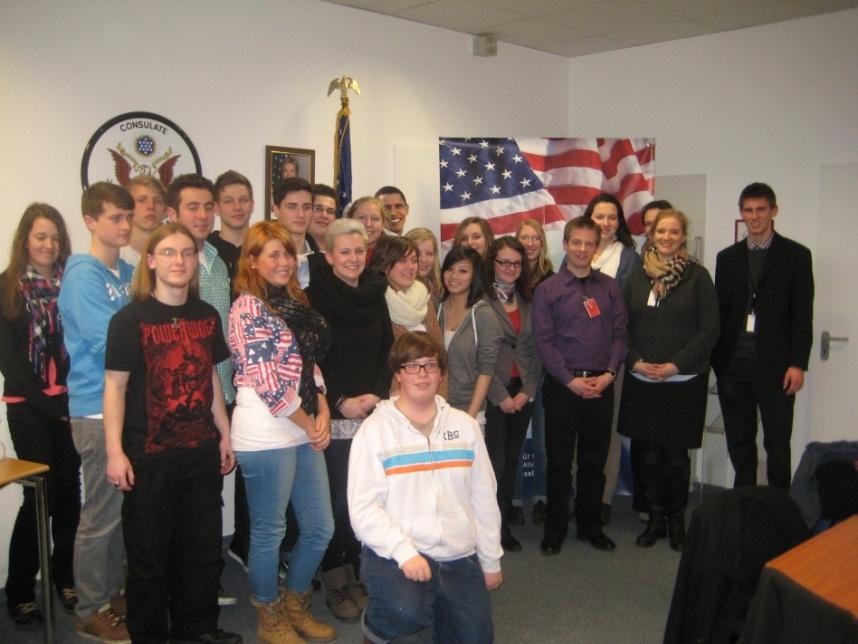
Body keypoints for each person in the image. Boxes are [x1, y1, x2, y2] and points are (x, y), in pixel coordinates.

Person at [104, 223, 241, 644]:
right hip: (149, 457)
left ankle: (197, 630)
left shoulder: (206, 315)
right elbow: (115, 387)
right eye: (167, 252)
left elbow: (210, 376)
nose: (178, 261)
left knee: (200, 552)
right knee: (149, 561)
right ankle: (149, 635)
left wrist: (225, 433)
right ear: (150, 261)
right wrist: (114, 452)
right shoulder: (130, 320)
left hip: (199, 453)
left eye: (186, 252)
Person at [348, 331, 503, 644]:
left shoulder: (465, 427)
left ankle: (439, 612)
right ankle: (376, 627)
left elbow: (484, 498)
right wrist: (404, 552)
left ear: (441, 374)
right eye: (412, 366)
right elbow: (364, 509)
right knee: (404, 611)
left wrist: (490, 560)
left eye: (431, 366)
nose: (422, 374)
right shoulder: (374, 431)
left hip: (458, 553)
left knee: (477, 638)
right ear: (398, 374)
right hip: (398, 552)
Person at [228, 221, 336, 643]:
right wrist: (312, 425)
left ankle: (296, 603)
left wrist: (322, 407)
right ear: (252, 261)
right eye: (272, 254)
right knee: (269, 531)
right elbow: (269, 384)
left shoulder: (293, 302)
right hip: (266, 430)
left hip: (301, 422)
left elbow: (308, 364)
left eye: (287, 253)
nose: (284, 262)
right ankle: (269, 615)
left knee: (320, 527)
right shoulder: (248, 308)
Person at [58, 181, 134, 643]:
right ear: (90, 221)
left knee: (121, 509)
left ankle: (113, 594)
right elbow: (109, 344)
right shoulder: (83, 276)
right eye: (114, 218)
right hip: (94, 409)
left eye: (128, 217)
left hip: (126, 406)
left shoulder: (126, 270)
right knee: (101, 514)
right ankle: (90, 609)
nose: (124, 225)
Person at [306, 218, 393, 622]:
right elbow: (312, 359)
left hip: (371, 410)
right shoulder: (314, 298)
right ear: (328, 255)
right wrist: (341, 400)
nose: (354, 258)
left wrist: (376, 393)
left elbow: (387, 348)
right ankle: (335, 578)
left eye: (359, 251)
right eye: (344, 251)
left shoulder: (376, 293)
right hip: (334, 411)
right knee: (337, 501)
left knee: (369, 496)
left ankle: (360, 572)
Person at [618, 210, 720, 550]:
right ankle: (655, 519)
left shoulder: (698, 277)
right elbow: (621, 327)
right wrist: (636, 361)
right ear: (652, 235)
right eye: (661, 231)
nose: (666, 237)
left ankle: (677, 522)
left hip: (683, 381)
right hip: (642, 379)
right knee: (647, 456)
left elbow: (710, 330)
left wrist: (675, 365)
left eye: (674, 232)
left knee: (676, 457)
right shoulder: (637, 276)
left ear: (683, 236)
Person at [1, 204, 80, 625]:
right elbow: (9, 363)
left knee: (68, 494)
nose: (49, 245)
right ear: (25, 240)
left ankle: (65, 577)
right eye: (40, 237)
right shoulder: (6, 287)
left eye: (55, 237)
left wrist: (67, 400)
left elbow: (79, 343)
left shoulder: (72, 284)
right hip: (27, 407)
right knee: (39, 496)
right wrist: (47, 405)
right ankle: (19, 591)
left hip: (69, 402)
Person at [533, 216, 628, 555]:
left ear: (596, 247)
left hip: (602, 384)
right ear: (566, 244)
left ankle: (591, 527)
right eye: (577, 242)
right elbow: (544, 343)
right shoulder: (548, 290)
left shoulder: (610, 288)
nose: (583, 249)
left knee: (593, 462)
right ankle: (555, 530)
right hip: (563, 387)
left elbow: (620, 336)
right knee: (559, 463)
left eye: (589, 243)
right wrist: (570, 380)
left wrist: (610, 374)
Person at [712, 182, 814, 491]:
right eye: (748, 210)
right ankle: (744, 505)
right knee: (740, 443)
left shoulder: (796, 255)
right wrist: (717, 361)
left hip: (777, 368)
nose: (754, 217)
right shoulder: (727, 258)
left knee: (777, 444)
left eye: (760, 210)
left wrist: (798, 364)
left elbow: (802, 315)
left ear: (773, 211)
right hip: (733, 367)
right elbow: (720, 312)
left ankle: (778, 508)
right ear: (741, 213)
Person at [583, 194, 638, 524]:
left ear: (619, 223)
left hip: (610, 361)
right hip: (576, 360)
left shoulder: (628, 258)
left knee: (609, 431)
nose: (605, 223)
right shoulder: (577, 253)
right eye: (599, 216)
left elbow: (626, 313)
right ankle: (580, 494)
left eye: (612, 217)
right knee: (580, 432)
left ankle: (603, 498)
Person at [483, 237, 542, 552]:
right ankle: (490, 528)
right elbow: (478, 354)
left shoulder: (527, 300)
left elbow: (535, 350)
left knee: (511, 461)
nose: (510, 268)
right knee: (494, 464)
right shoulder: (480, 301)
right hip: (492, 392)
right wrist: (500, 396)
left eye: (516, 263)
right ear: (492, 263)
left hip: (522, 392)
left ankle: (503, 524)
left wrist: (528, 390)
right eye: (504, 262)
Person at [371, 235, 445, 398]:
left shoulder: (423, 298)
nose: (410, 266)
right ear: (385, 266)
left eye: (413, 260)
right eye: (402, 260)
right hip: (392, 398)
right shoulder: (375, 303)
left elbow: (439, 354)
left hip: (432, 396)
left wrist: (441, 398)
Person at [437, 246, 502, 431]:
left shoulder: (484, 315)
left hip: (469, 411)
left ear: (475, 276)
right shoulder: (434, 308)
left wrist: (470, 417)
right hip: (433, 409)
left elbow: (486, 370)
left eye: (463, 271)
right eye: (449, 269)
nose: (454, 276)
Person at [272, 177, 323, 289]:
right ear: (276, 210)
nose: (301, 214)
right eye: (292, 207)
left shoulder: (324, 263)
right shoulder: (262, 260)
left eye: (307, 207)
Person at [209, 169, 255, 289]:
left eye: (243, 200)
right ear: (217, 208)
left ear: (252, 205)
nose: (237, 207)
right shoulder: (206, 250)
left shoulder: (264, 247)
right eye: (228, 201)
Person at [121, 175, 166, 267]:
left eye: (157, 201)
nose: (151, 206)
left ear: (165, 211)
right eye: (141, 200)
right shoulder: (115, 256)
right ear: (128, 207)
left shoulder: (176, 253)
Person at [404, 228, 442, 308]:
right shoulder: (401, 292)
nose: (423, 260)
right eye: (417, 253)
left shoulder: (441, 287)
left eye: (429, 254)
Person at [346, 196, 386, 266]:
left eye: (375, 219)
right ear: (350, 221)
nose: (368, 224)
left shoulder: (396, 255)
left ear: (383, 224)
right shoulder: (337, 253)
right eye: (361, 217)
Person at [309, 183, 338, 251]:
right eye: (317, 209)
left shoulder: (343, 249)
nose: (324, 215)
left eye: (330, 211)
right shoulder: (289, 250)